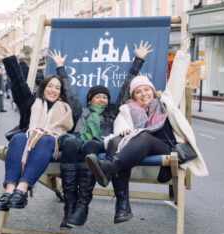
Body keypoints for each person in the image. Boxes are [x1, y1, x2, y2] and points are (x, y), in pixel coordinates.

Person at [85, 39, 209, 224]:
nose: (144, 94)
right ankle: (122, 206)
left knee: (143, 134)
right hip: (135, 157)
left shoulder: (165, 101)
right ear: (133, 96)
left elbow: (176, 80)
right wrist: (124, 131)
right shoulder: (127, 109)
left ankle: (109, 167)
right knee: (115, 141)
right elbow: (119, 127)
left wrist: (182, 54)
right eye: (138, 92)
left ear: (153, 91)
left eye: (146, 90)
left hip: (165, 154)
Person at [48, 42, 153, 229]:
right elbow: (69, 92)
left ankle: (82, 206)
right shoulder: (81, 110)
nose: (102, 99)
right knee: (72, 142)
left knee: (90, 146)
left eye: (105, 97)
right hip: (77, 143)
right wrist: (60, 67)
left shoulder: (113, 111)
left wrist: (139, 60)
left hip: (99, 145)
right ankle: (69, 205)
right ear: (90, 99)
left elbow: (126, 88)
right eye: (98, 96)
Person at [0, 57, 74, 211]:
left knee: (46, 140)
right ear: (43, 87)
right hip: (27, 144)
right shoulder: (31, 103)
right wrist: (10, 59)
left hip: (53, 147)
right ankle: (9, 192)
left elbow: (70, 93)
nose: (53, 90)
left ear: (61, 92)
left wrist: (60, 68)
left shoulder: (66, 108)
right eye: (50, 86)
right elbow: (18, 84)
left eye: (57, 88)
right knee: (17, 138)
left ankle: (22, 189)